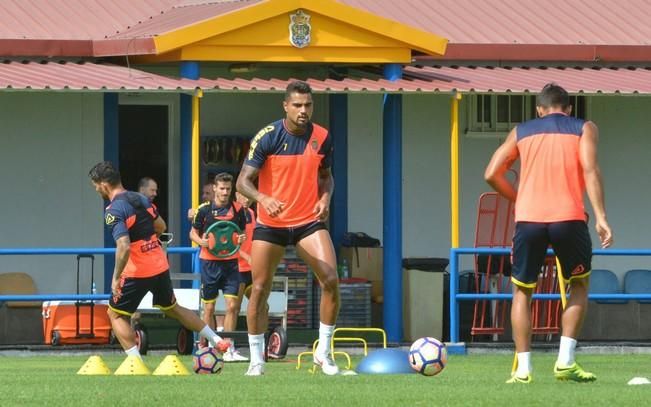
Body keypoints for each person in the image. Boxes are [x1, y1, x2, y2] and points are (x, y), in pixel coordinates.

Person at [484, 83, 613, 384]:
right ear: (568, 108)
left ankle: (523, 370)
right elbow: (591, 169)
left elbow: (491, 173)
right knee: (579, 286)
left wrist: (520, 198)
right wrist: (602, 217)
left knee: (522, 291)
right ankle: (565, 362)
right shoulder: (584, 127)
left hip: (528, 220)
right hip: (569, 218)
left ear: (539, 109)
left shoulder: (522, 131)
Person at [237, 80, 340, 376]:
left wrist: (325, 197)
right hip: (271, 224)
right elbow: (243, 181)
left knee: (331, 279)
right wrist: (262, 198)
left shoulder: (322, 136)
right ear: (285, 106)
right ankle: (256, 360)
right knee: (258, 289)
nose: (303, 110)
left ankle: (323, 353)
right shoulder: (268, 136)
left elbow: (327, 177)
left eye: (308, 105)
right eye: (297, 105)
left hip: (308, 221)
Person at [88, 161, 229, 361]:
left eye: (95, 186)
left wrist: (116, 277)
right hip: (159, 264)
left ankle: (135, 362)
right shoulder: (140, 199)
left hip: (136, 271)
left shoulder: (113, 210)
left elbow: (124, 245)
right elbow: (161, 226)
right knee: (174, 308)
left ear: (103, 184)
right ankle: (217, 340)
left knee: (116, 314)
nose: (96, 190)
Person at [189, 172, 246, 350]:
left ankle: (228, 346)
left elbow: (240, 233)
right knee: (209, 308)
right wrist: (201, 242)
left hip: (230, 263)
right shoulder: (204, 210)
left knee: (231, 306)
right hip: (209, 263)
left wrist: (241, 239)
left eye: (228, 189)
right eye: (221, 188)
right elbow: (192, 233)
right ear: (214, 188)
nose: (225, 192)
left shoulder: (238, 209)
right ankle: (206, 346)